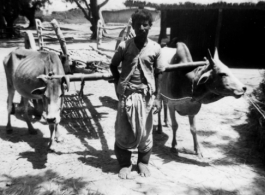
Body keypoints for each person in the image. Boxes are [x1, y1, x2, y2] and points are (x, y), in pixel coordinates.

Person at [110, 9, 165, 179]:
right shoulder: (124, 46)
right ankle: (125, 164)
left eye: (145, 24)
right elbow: (113, 65)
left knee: (146, 132)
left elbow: (159, 73)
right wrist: (119, 84)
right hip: (127, 95)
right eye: (137, 24)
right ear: (132, 26)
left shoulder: (155, 48)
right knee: (124, 131)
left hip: (147, 97)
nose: (141, 27)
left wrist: (157, 98)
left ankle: (142, 163)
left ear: (150, 26)